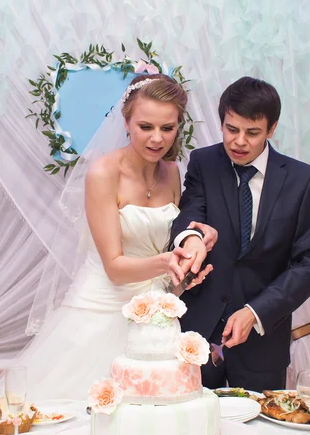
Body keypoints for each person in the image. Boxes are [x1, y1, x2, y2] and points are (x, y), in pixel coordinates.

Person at [19, 74, 213, 401]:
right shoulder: (103, 173)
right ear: (126, 122)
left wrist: (185, 273)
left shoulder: (173, 172)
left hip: (155, 314)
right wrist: (167, 262)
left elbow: (165, 247)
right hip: (102, 306)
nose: (157, 138)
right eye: (145, 127)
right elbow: (115, 267)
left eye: (167, 128)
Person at [170, 76, 310, 392]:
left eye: (252, 133)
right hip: (197, 333)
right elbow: (190, 213)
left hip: (263, 341)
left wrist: (256, 312)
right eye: (231, 129)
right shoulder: (204, 163)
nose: (239, 141)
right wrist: (192, 239)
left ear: (271, 129)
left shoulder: (302, 179)